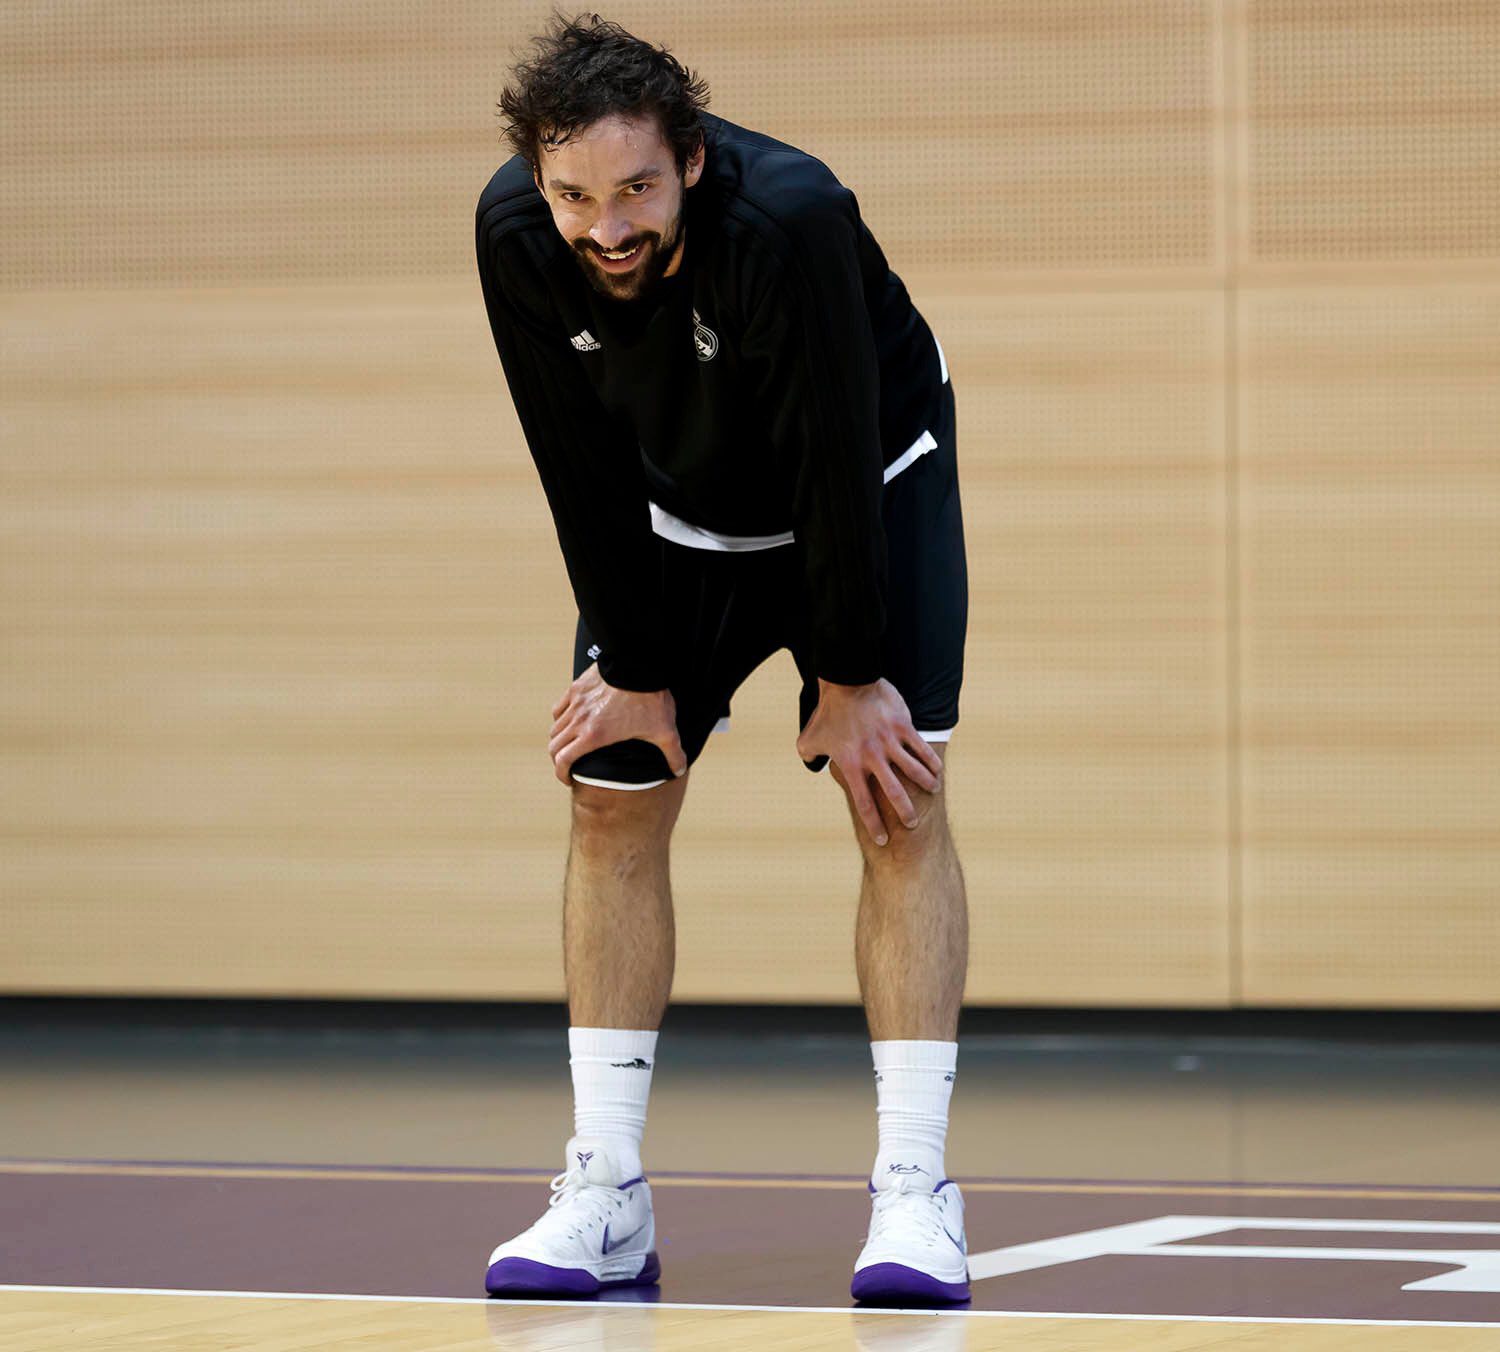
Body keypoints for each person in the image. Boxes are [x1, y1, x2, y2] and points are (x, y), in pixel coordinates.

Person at [475, 14, 970, 1305]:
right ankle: (606, 1188)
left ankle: (915, 1190)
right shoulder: (517, 232)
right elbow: (572, 457)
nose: (607, 226)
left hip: (867, 486)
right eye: (575, 195)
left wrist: (849, 677)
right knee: (610, 791)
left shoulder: (788, 219)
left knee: (896, 797)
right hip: (678, 517)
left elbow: (831, 451)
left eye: (637, 188)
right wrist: (636, 664)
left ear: (691, 159)